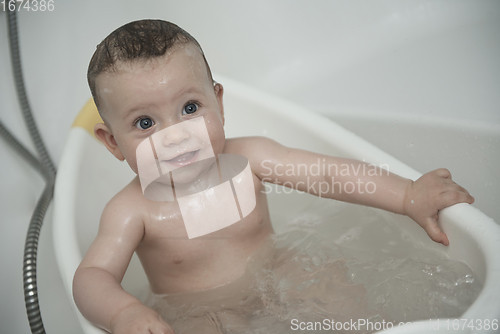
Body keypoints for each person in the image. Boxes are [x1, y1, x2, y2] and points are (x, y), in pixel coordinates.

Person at [73, 19, 474, 334]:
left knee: (334, 291)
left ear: (220, 103)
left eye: (190, 108)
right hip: (196, 310)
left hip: (278, 268)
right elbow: (93, 276)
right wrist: (124, 312)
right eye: (145, 122)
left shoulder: (250, 158)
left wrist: (407, 196)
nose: (176, 136)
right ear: (113, 144)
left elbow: (327, 175)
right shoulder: (131, 211)